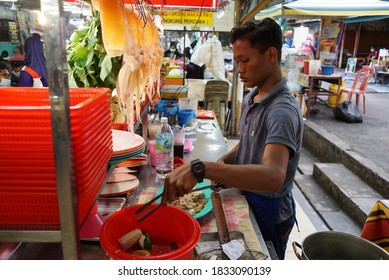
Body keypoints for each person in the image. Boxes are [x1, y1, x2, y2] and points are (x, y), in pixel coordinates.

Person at [162, 18, 304, 260]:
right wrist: (225, 162)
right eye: (237, 60)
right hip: (247, 196)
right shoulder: (253, 96)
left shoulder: (281, 111)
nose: (239, 68)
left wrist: (204, 168)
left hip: (269, 208)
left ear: (271, 55)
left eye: (245, 60)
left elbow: (273, 177)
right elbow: (250, 142)